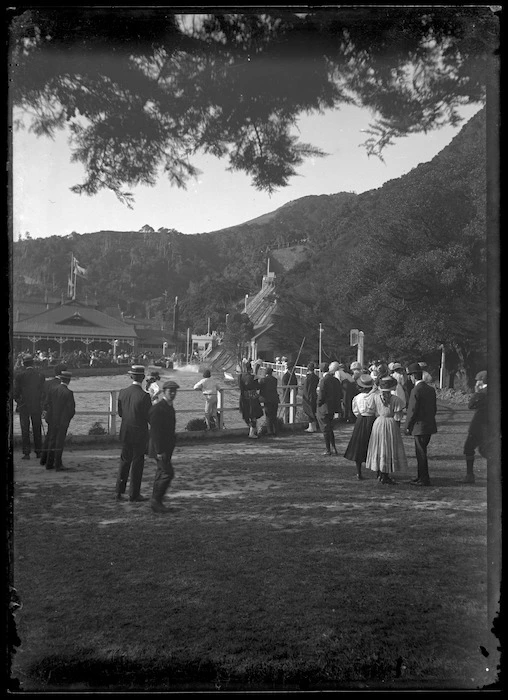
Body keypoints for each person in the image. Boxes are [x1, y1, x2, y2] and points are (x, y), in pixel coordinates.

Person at [115, 365, 153, 502]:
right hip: (139, 433)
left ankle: (119, 491)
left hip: (126, 431)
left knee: (124, 461)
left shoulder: (122, 392)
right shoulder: (144, 396)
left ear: (131, 376)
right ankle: (134, 494)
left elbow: (120, 413)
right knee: (137, 463)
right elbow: (149, 417)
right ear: (143, 378)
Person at [365, 376, 407, 484]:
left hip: (379, 423)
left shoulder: (374, 397)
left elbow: (368, 405)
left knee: (379, 446)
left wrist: (373, 391)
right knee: (387, 447)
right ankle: (385, 474)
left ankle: (380, 472)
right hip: (390, 423)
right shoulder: (396, 399)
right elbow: (398, 416)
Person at [147, 380, 180, 513]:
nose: (172, 393)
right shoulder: (159, 408)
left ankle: (156, 501)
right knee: (168, 473)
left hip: (166, 447)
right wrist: (159, 450)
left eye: (174, 391)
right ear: (164, 392)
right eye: (170, 391)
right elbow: (155, 432)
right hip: (159, 448)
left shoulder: (168, 406)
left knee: (161, 472)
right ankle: (156, 501)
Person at [405, 362, 438, 487]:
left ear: (413, 376)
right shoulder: (430, 389)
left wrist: (407, 426)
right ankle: (420, 476)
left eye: (410, 376)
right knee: (421, 452)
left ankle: (424, 478)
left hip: (419, 426)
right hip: (429, 424)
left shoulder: (415, 390)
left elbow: (412, 411)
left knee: (420, 453)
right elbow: (434, 409)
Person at [344, 374, 377, 480]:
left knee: (359, 446)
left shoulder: (357, 398)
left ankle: (359, 472)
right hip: (372, 420)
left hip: (361, 420)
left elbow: (356, 411)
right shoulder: (375, 396)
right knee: (374, 444)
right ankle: (378, 471)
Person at [13, 354, 46, 460]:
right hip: (36, 405)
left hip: (24, 406)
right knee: (37, 428)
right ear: (32, 363)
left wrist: (18, 401)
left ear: (24, 363)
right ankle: (39, 452)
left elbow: (15, 392)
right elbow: (43, 392)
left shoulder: (19, 376)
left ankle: (26, 453)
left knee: (25, 429)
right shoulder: (40, 375)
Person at [44, 370, 76, 471]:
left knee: (52, 440)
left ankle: (49, 463)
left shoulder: (52, 389)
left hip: (53, 420)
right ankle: (58, 463)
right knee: (59, 442)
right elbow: (71, 410)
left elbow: (46, 404)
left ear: (61, 379)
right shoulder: (68, 393)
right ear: (69, 380)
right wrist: (67, 419)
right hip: (62, 421)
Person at [463, 370, 489, 484]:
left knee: (469, 448)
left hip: (479, 426)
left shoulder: (484, 393)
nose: (477, 383)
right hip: (489, 427)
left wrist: (477, 392)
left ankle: (470, 475)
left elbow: (471, 405)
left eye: (479, 380)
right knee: (486, 450)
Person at [40, 363, 68, 468]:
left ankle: (44, 458)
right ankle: (52, 461)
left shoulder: (47, 383)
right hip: (58, 415)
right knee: (55, 438)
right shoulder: (61, 384)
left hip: (48, 413)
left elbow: (42, 399)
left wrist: (44, 411)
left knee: (49, 436)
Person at [316, 362, 342, 456]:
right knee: (330, 428)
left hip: (324, 407)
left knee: (325, 429)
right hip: (332, 407)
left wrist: (318, 403)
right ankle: (333, 447)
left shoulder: (323, 380)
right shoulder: (336, 380)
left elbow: (321, 395)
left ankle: (328, 449)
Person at [238, 361, 263, 438]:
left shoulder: (240, 376)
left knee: (246, 414)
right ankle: (252, 432)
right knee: (253, 415)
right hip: (252, 397)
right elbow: (258, 386)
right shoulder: (253, 377)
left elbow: (240, 387)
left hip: (243, 397)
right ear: (250, 369)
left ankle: (252, 429)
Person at [258, 366, 280, 436]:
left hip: (267, 400)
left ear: (265, 373)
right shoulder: (275, 380)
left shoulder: (263, 380)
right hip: (275, 399)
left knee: (268, 416)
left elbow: (259, 387)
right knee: (274, 415)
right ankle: (276, 431)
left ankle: (270, 431)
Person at [302, 362, 319, 433]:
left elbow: (305, 388)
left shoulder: (308, 378)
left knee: (309, 411)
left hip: (308, 396)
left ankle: (311, 427)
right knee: (314, 411)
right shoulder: (316, 377)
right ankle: (314, 427)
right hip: (314, 395)